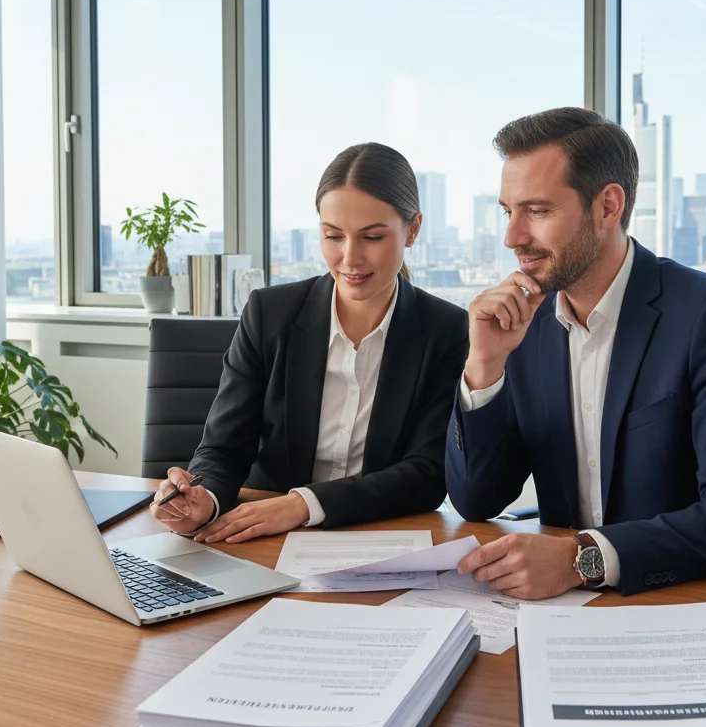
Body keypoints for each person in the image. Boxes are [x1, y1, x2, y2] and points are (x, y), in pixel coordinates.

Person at [448, 107, 706, 598]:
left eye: (537, 211)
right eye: (508, 211)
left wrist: (579, 558)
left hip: (685, 602)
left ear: (607, 206)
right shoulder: (523, 325)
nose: (512, 237)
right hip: (564, 610)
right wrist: (484, 366)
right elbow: (477, 499)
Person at [150, 142, 469, 543]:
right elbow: (223, 447)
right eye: (333, 236)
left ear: (413, 229)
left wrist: (303, 504)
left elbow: (426, 473)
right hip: (266, 537)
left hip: (380, 536)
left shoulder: (446, 329)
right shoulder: (270, 313)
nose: (349, 259)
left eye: (371, 237)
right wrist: (205, 499)